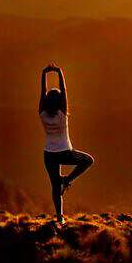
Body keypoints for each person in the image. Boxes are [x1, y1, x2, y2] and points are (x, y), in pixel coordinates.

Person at [38, 63, 94, 224]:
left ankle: (59, 217)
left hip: (48, 154)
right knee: (88, 160)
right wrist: (59, 72)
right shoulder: (62, 114)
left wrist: (44, 74)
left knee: (55, 187)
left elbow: (42, 93)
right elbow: (65, 92)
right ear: (60, 102)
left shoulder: (42, 114)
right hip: (65, 152)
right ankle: (67, 180)